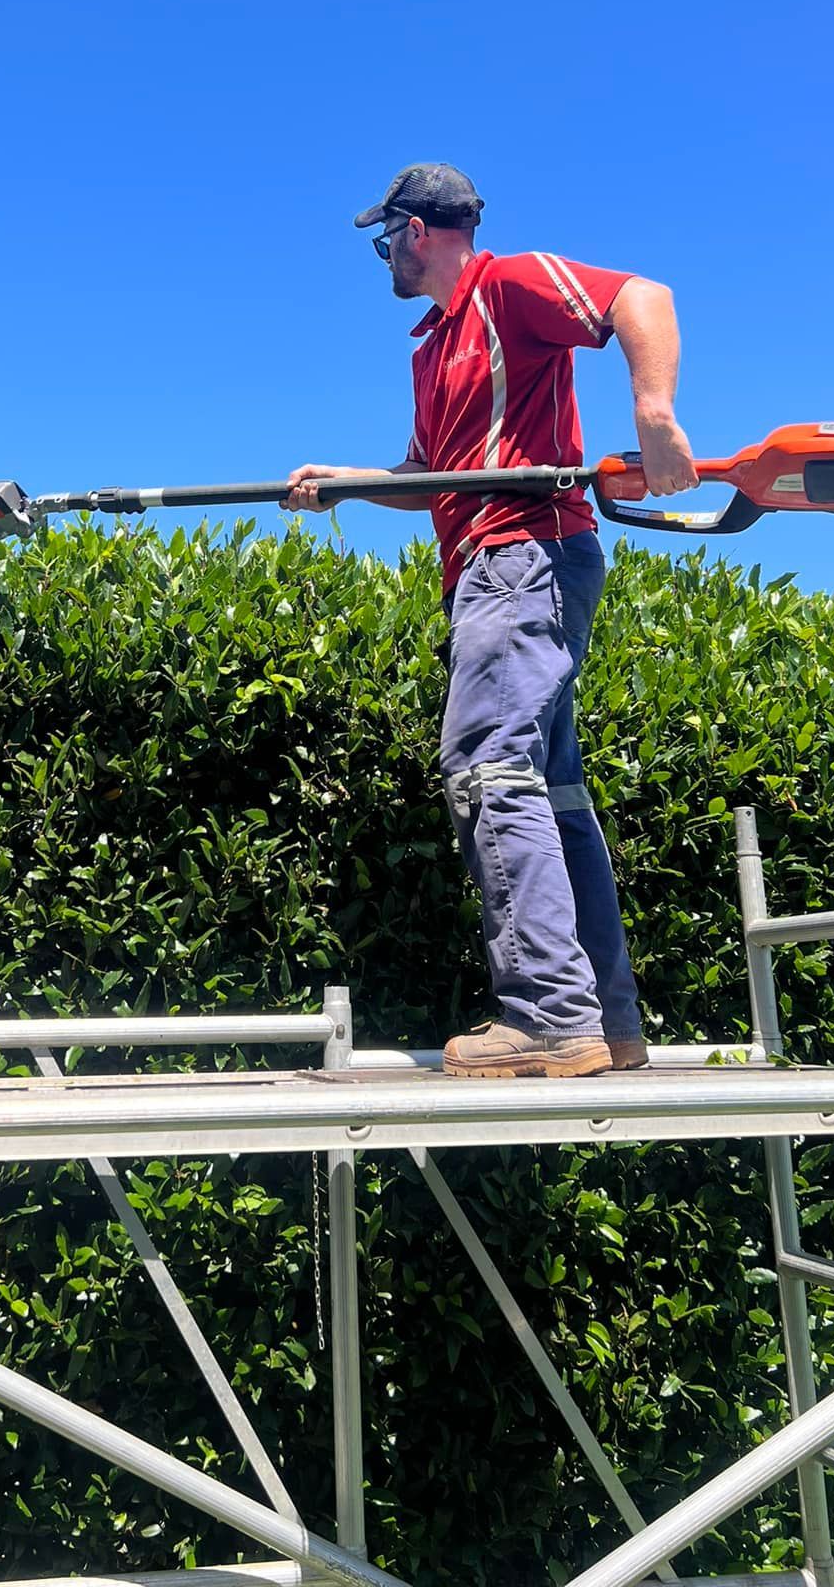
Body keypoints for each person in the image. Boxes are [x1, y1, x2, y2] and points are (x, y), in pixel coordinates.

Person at [286, 163, 697, 1078]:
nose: (384, 255)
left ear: (416, 231)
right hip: (489, 567)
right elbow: (427, 475)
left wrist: (655, 411)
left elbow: (640, 295)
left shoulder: (506, 287)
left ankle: (550, 1012)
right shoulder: (431, 347)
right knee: (547, 788)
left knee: (489, 767)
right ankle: (608, 1019)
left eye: (385, 237)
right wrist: (343, 487)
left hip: (526, 554)